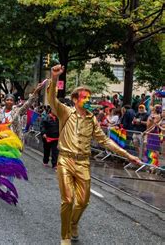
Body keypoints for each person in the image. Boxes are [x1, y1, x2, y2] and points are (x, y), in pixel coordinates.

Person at [47, 64, 141, 245]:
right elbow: (51, 99)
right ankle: (65, 235)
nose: (88, 100)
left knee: (82, 202)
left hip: (83, 163)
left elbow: (105, 141)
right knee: (67, 199)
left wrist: (128, 156)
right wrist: (54, 78)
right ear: (75, 99)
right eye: (84, 97)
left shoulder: (92, 119)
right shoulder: (65, 112)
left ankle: (74, 223)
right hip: (65, 160)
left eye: (89, 97)